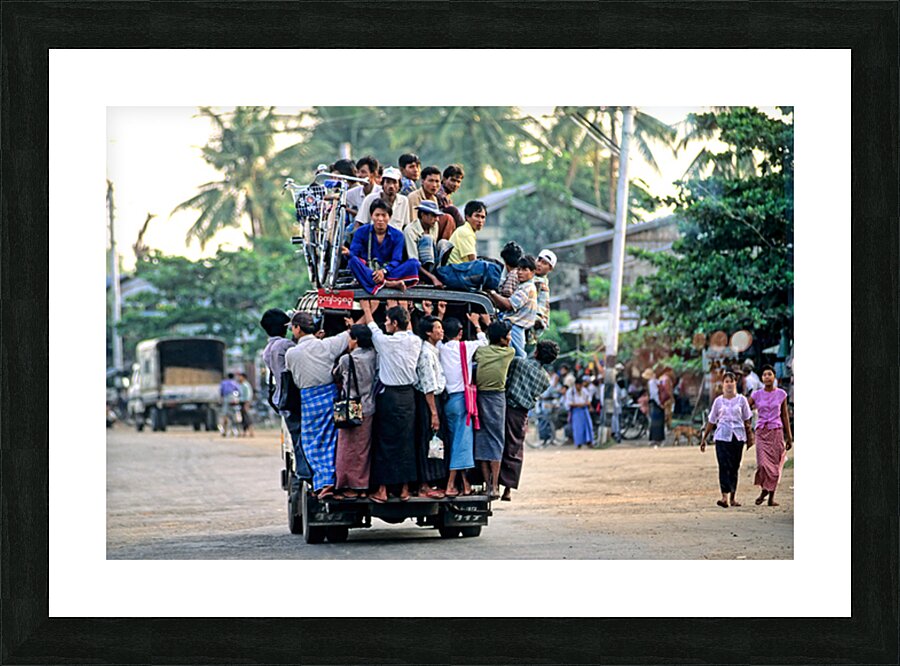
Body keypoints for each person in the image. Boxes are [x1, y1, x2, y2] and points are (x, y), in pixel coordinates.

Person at [284, 311, 356, 498]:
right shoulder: (328, 346)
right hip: (330, 397)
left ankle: (324, 481)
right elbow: (350, 334)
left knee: (311, 442)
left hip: (308, 400)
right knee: (333, 440)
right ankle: (334, 481)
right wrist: (362, 317)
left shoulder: (291, 354)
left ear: (297, 328)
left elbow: (293, 373)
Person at [360, 300, 422, 503]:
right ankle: (404, 489)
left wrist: (367, 308)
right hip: (409, 397)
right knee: (406, 441)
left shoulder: (385, 342)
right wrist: (403, 308)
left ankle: (383, 490)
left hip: (389, 398)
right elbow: (408, 330)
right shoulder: (416, 341)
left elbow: (371, 326)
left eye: (387, 320)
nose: (385, 323)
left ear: (394, 324)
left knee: (385, 442)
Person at [500, 339, 559, 501]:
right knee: (514, 448)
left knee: (498, 443)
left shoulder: (519, 363)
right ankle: (507, 489)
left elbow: (507, 379)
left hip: (506, 408)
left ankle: (492, 483)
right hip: (522, 415)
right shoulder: (546, 379)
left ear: (536, 352)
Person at [438, 313, 488, 496]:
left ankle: (464, 483)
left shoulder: (440, 347)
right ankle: (452, 484)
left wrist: (440, 315)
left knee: (455, 442)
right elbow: (484, 342)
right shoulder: (465, 347)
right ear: (460, 333)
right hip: (463, 401)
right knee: (462, 443)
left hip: (447, 400)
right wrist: (476, 324)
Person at [260, 308, 313, 484]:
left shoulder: (269, 348)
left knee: (297, 438)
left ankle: (303, 475)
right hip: (294, 399)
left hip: (283, 400)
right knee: (302, 438)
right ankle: (306, 473)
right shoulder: (286, 346)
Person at [329, 324, 377, 500]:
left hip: (351, 406)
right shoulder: (374, 356)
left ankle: (348, 485)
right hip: (369, 405)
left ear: (355, 340)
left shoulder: (346, 360)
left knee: (346, 448)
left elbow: (335, 375)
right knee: (364, 449)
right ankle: (363, 486)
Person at [473, 320, 515, 498]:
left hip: (480, 397)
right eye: (508, 335)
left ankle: (488, 484)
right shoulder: (509, 353)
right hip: (497, 398)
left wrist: (477, 326)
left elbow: (482, 345)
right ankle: (495, 485)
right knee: (497, 440)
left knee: (482, 438)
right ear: (503, 339)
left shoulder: (481, 351)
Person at [700, 371, 754, 508]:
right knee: (723, 465)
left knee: (734, 466)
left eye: (731, 381)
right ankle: (724, 497)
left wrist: (750, 437)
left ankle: (733, 498)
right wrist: (704, 438)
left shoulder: (742, 400)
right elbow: (711, 421)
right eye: (726, 381)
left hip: (738, 437)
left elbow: (747, 420)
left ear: (735, 383)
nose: (729, 384)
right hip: (722, 437)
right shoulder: (718, 401)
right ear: (723, 384)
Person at [345, 199, 421, 294]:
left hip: (388, 272)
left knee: (414, 264)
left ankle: (376, 282)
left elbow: (396, 260)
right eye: (377, 215)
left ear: (389, 217)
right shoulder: (361, 231)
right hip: (368, 270)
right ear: (372, 216)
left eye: (384, 215)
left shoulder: (398, 235)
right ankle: (387, 284)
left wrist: (383, 271)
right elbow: (354, 254)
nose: (380, 219)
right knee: (353, 262)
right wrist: (347, 253)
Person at [413, 315, 448, 499]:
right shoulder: (425, 354)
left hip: (435, 400)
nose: (441, 331)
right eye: (438, 328)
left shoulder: (433, 349)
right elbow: (428, 386)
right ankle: (424, 485)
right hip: (429, 402)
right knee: (427, 439)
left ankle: (431, 481)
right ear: (428, 332)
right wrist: (434, 413)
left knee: (434, 442)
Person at [748, 364, 793, 506]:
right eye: (764, 375)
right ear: (762, 378)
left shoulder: (781, 394)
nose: (767, 377)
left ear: (774, 377)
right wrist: (746, 424)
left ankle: (770, 497)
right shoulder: (756, 395)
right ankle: (764, 491)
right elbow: (745, 409)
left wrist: (789, 436)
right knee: (762, 465)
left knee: (774, 467)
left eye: (769, 374)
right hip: (761, 432)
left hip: (776, 432)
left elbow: (785, 415)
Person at [488, 255, 539, 358]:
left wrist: (492, 293)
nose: (520, 272)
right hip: (516, 327)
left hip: (515, 327)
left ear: (533, 272)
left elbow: (509, 304)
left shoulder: (526, 288)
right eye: (519, 269)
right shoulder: (524, 286)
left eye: (524, 270)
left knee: (515, 358)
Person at [403, 200, 450, 283]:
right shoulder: (410, 230)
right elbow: (414, 261)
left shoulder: (434, 226)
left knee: (444, 243)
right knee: (426, 239)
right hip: (416, 268)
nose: (437, 219)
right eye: (434, 216)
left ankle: (438, 273)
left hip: (432, 263)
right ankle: (427, 278)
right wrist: (432, 278)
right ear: (423, 215)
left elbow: (433, 248)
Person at [446, 200, 486, 265]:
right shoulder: (465, 232)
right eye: (477, 216)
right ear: (467, 217)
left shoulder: (467, 230)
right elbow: (473, 262)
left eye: (483, 217)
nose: (480, 220)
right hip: (456, 270)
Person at [532, 249, 556, 338]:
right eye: (539, 260)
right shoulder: (527, 275)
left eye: (544, 263)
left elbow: (542, 308)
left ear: (550, 269)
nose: (539, 264)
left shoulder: (542, 286)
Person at [565, 376, 594, 448]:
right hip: (576, 411)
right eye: (579, 385)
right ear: (576, 385)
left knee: (588, 426)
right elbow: (569, 403)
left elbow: (589, 399)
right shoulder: (570, 392)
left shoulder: (584, 390)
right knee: (578, 428)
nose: (581, 387)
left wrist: (587, 405)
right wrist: (579, 404)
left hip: (584, 410)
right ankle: (578, 443)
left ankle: (589, 442)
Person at [436, 163, 465, 233]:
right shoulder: (439, 193)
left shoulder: (447, 195)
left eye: (458, 182)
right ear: (444, 179)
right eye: (453, 180)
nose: (455, 184)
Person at [218, 372, 241, 437]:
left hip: (226, 399)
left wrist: (221, 400)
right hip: (233, 399)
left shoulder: (223, 383)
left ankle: (224, 431)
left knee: (225, 416)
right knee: (235, 416)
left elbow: (221, 392)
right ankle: (236, 431)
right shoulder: (235, 383)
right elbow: (239, 392)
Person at [610, 363, 628, 443]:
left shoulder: (618, 384)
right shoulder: (615, 384)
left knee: (616, 420)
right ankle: (616, 434)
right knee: (615, 420)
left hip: (616, 405)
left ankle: (616, 434)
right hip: (615, 404)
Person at [237, 372, 254, 438]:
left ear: (243, 377)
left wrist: (247, 404)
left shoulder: (245, 385)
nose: (239, 378)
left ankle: (251, 432)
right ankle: (245, 432)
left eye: (240, 377)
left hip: (245, 403)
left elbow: (248, 395)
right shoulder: (241, 385)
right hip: (242, 403)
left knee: (247, 418)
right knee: (244, 418)